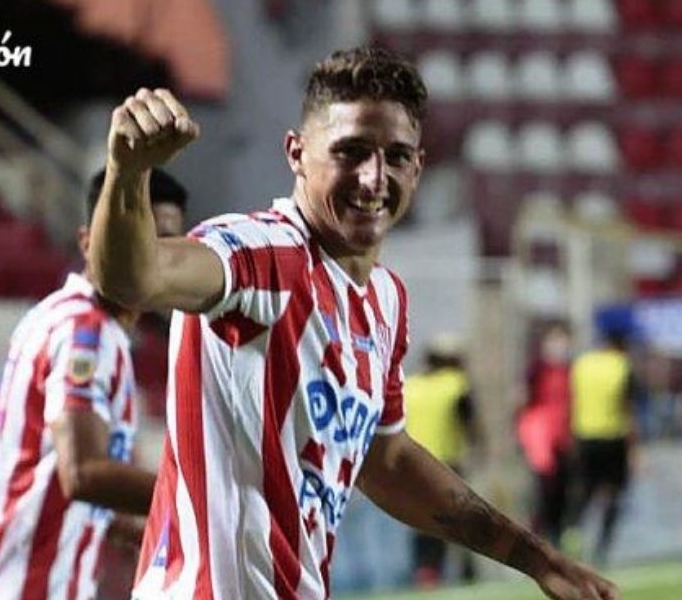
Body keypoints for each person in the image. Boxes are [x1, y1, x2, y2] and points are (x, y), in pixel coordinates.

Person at [88, 46, 619, 600]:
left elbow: (387, 460)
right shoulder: (262, 254)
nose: (373, 178)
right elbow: (133, 278)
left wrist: (537, 559)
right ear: (296, 154)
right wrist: (129, 171)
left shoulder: (385, 300)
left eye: (396, 156)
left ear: (417, 167)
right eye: (351, 152)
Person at [0, 169, 187, 600]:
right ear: (89, 242)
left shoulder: (65, 317)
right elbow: (82, 472)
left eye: (165, 242)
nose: (148, 254)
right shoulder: (85, 331)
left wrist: (130, 530)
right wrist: (194, 499)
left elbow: (58, 480)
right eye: (133, 236)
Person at [404, 334, 481, 588]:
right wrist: (477, 447)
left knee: (422, 520)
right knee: (460, 519)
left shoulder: (410, 385)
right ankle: (467, 572)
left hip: (412, 464)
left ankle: (426, 571)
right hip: (446, 462)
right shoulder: (456, 384)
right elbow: (469, 422)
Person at [570, 327, 640, 567]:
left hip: (584, 436)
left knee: (585, 491)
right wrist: (634, 449)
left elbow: (571, 401)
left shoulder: (581, 365)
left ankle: (573, 538)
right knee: (613, 492)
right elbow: (628, 409)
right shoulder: (622, 366)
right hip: (613, 437)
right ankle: (602, 547)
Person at [517, 320, 575, 548]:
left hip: (563, 435)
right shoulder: (537, 370)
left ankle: (556, 536)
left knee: (563, 489)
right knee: (545, 488)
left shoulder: (570, 371)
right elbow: (523, 400)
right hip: (541, 435)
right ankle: (539, 537)